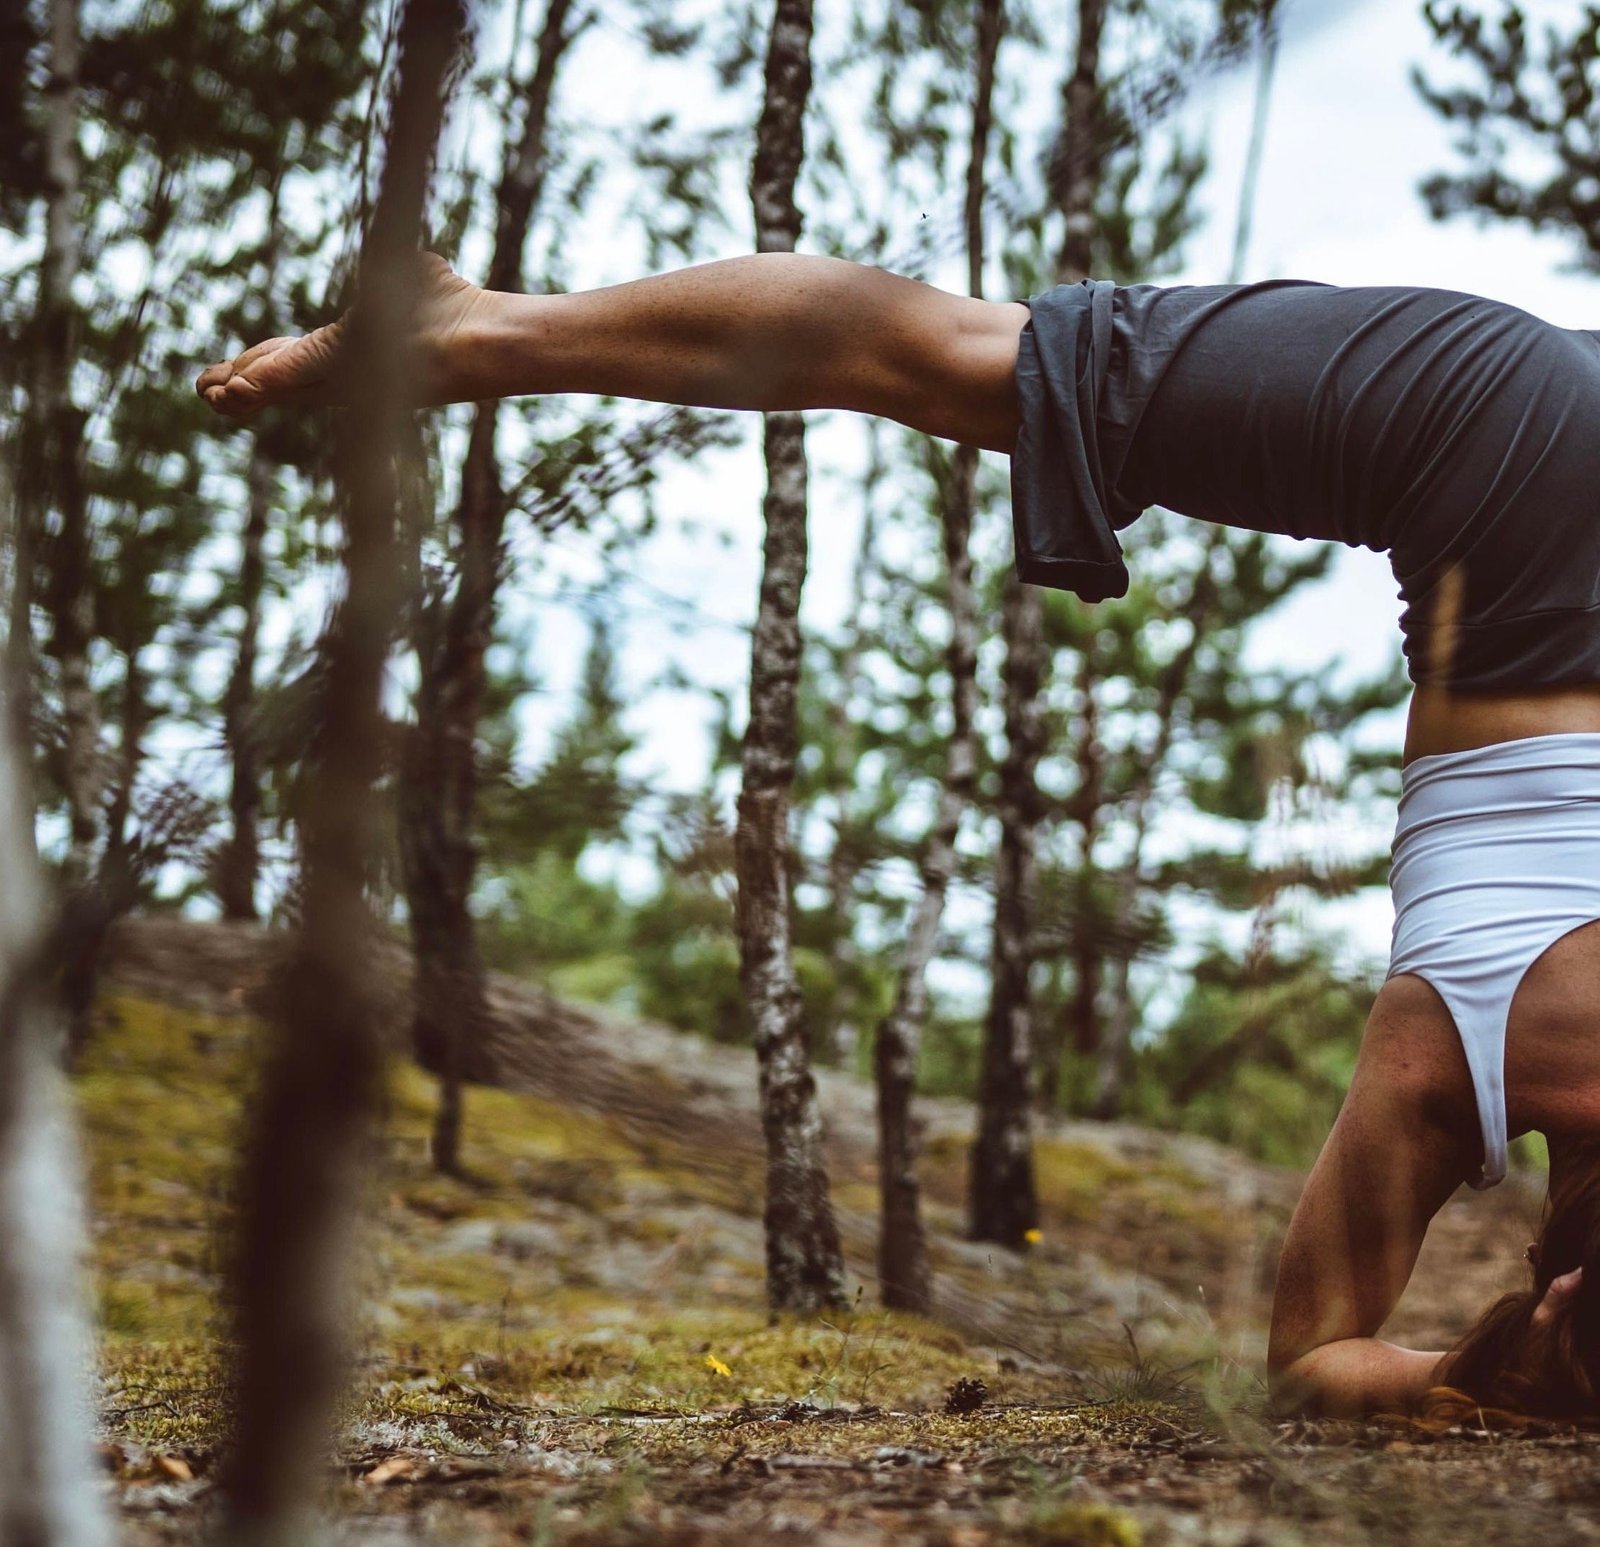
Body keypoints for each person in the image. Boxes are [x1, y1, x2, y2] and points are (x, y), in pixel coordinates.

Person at [199, 251, 1600, 1421]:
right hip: (1493, 456)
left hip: (1502, 414)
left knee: (938, 347)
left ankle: (484, 328)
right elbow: (1308, 1366)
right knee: (930, 360)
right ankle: (472, 334)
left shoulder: (1453, 1071)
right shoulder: (1441, 1074)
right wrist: (1467, 1381)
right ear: (1550, 1274)